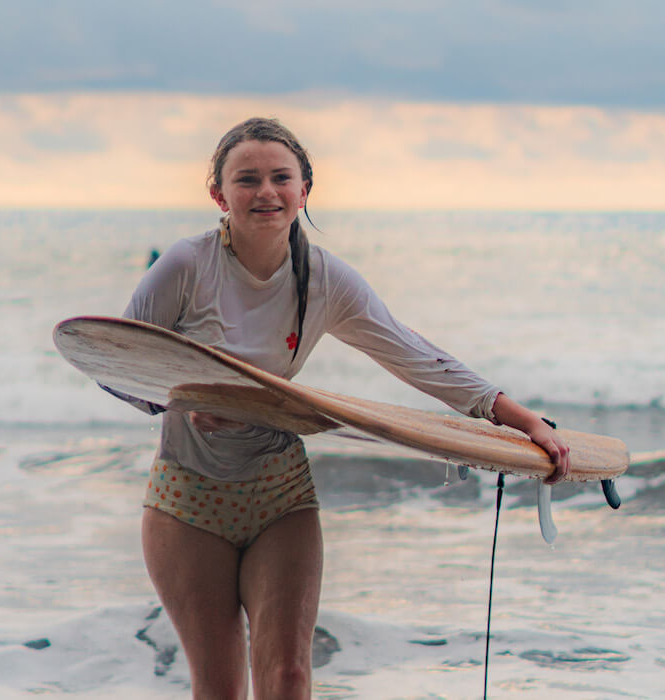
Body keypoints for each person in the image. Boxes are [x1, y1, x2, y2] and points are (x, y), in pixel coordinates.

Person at [114, 117, 571, 699]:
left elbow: (417, 357)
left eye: (282, 178)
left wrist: (524, 421)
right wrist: (179, 399)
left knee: (288, 676)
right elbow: (117, 365)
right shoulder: (186, 265)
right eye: (247, 179)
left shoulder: (323, 279)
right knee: (220, 686)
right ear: (218, 194)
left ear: (305, 190)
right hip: (188, 498)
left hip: (281, 494)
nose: (266, 192)